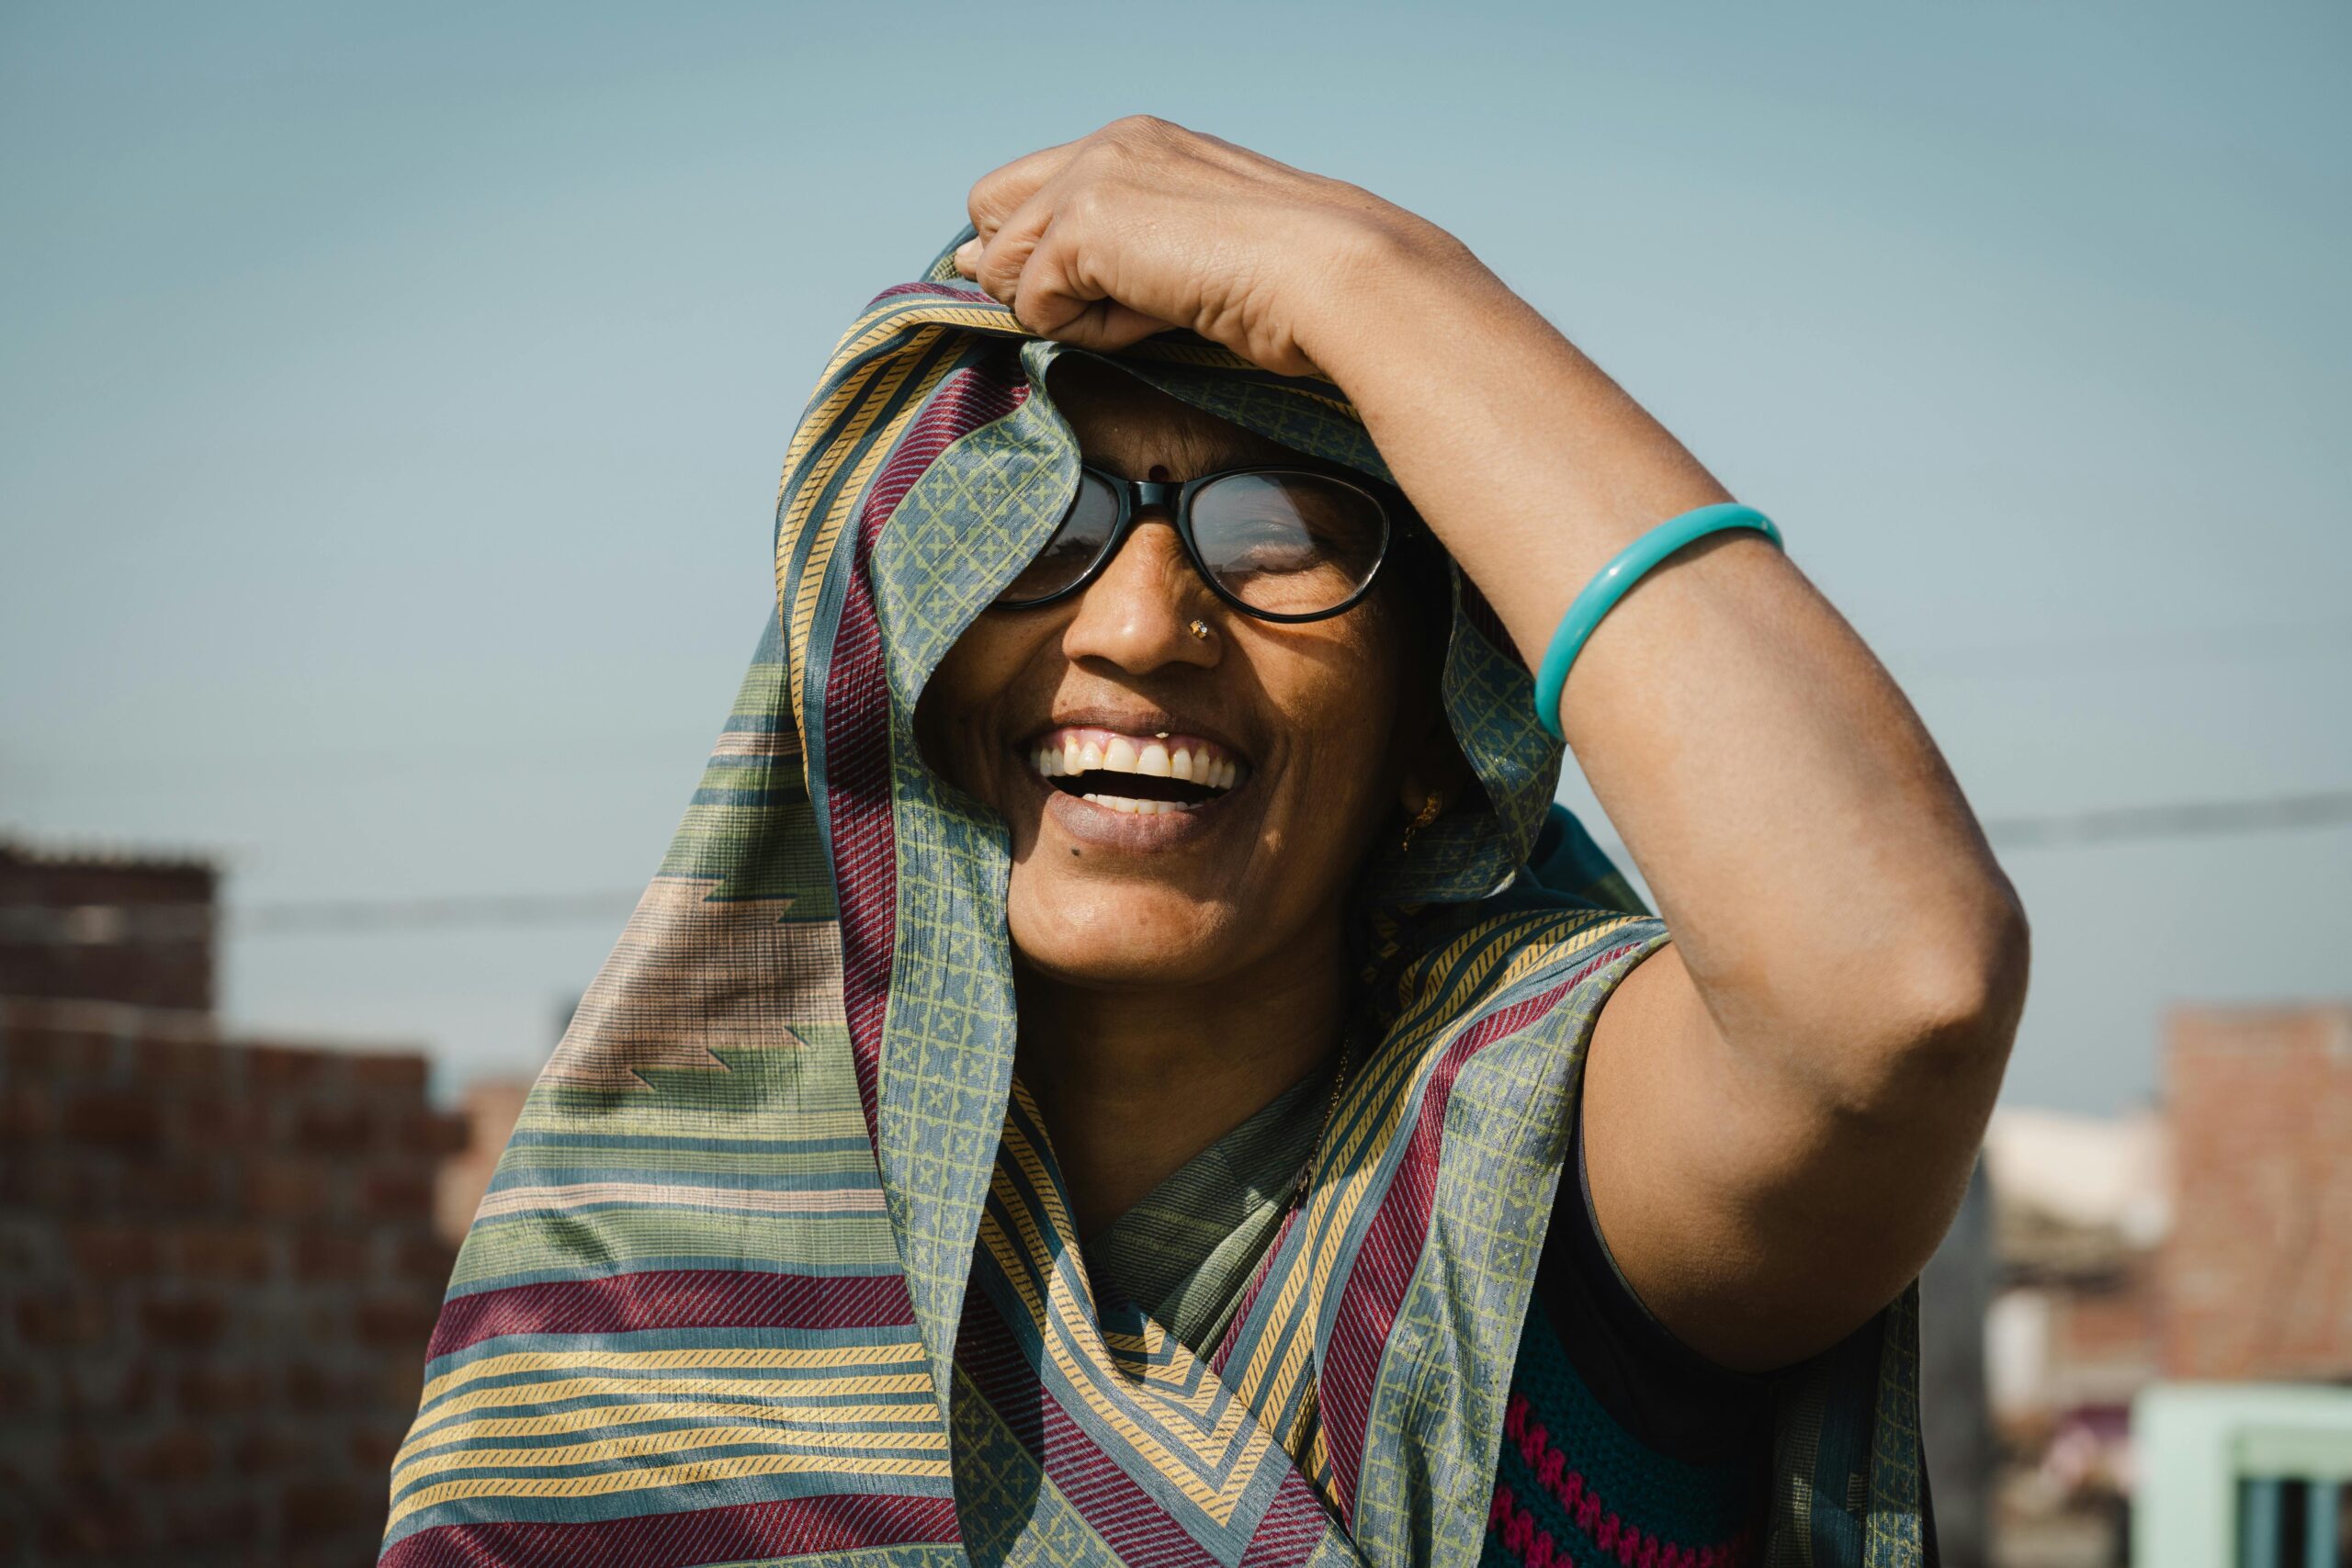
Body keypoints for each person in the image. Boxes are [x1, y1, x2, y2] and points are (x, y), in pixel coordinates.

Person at [379, 119, 2027, 1568]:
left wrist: (1371, 274)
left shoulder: (1536, 1182)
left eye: (1285, 530)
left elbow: (1893, 990)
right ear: (891, 663)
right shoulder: (635, 1307)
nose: (1140, 623)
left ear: (1432, 738)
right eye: (1041, 517)